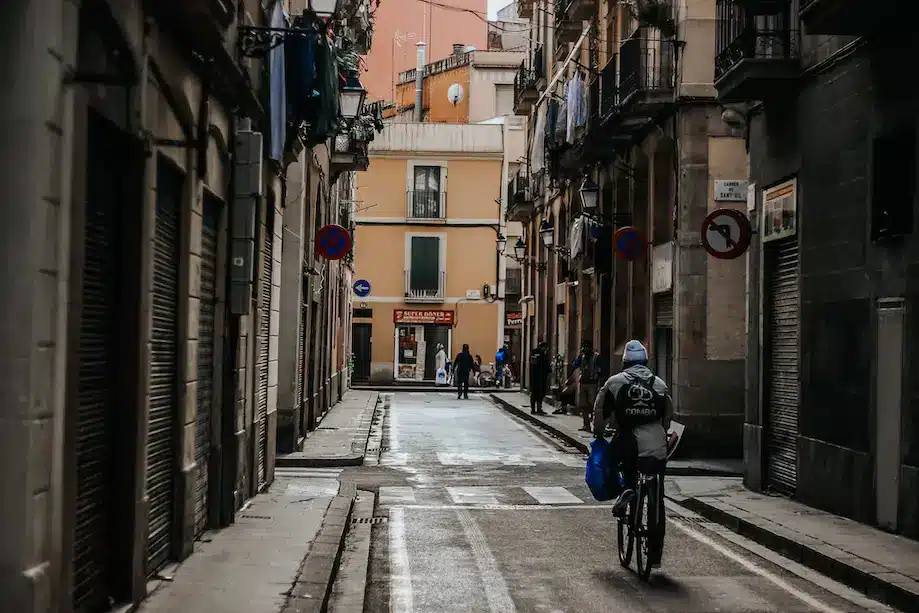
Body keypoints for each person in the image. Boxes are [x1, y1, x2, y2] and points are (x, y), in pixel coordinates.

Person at [593, 340, 673, 564]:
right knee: (658, 494)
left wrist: (598, 433)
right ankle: (655, 554)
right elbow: (668, 417)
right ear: (646, 362)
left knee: (615, 462)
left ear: (625, 362)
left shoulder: (614, 383)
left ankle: (626, 490)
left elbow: (599, 411)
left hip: (627, 442)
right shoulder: (659, 384)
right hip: (656, 445)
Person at [571, 340, 607, 432]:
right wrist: (579, 356)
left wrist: (600, 383)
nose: (585, 349)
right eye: (583, 347)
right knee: (583, 405)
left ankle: (595, 424)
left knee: (593, 405)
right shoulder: (582, 357)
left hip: (593, 383)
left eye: (586, 347)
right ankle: (586, 425)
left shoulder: (596, 357)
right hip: (583, 383)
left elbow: (602, 371)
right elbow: (574, 365)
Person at [528, 339, 550, 415]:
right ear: (543, 347)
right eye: (546, 348)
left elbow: (532, 363)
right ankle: (538, 408)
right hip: (541, 377)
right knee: (540, 393)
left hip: (534, 376)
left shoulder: (533, 352)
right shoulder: (542, 354)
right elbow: (545, 365)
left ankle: (533, 409)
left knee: (534, 393)